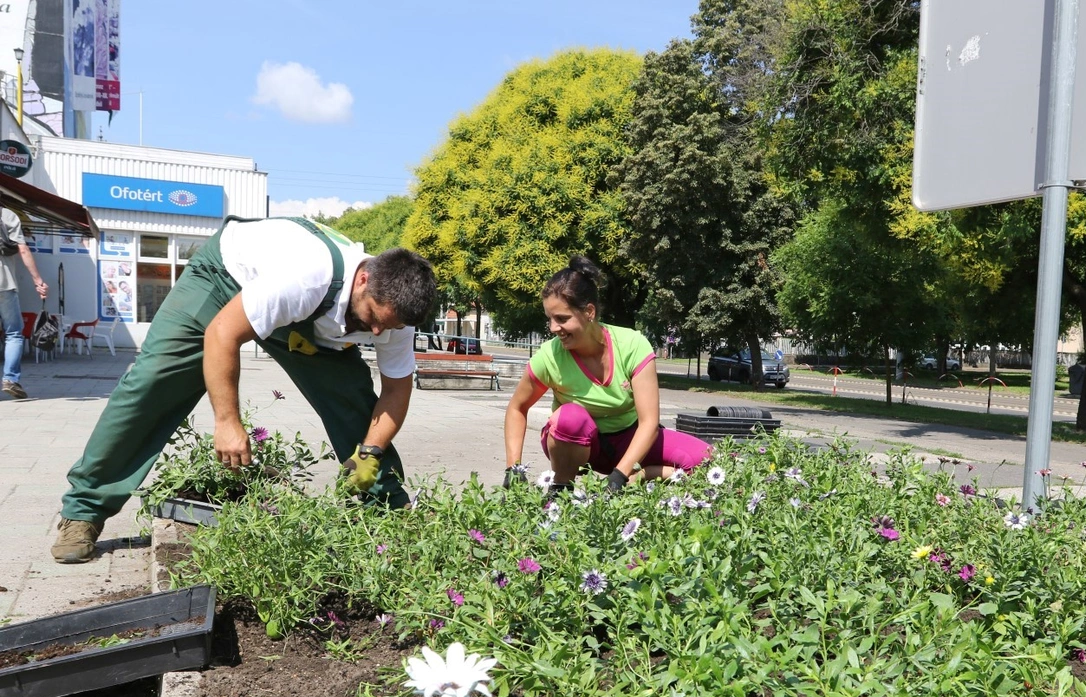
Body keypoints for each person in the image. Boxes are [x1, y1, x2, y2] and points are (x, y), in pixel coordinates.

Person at [50, 216, 438, 563]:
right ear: (363, 279)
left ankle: (389, 516)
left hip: (313, 318)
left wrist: (371, 451)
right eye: (371, 318)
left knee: (355, 405)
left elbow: (396, 392)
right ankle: (84, 510)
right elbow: (222, 334)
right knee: (152, 384)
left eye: (387, 326)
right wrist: (227, 422)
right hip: (223, 279)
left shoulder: (393, 319)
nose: (376, 332)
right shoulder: (307, 276)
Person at [503, 255, 710, 493]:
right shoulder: (550, 356)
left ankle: (641, 475)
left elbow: (649, 423)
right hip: (582, 447)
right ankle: (560, 490)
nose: (553, 328)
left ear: (589, 311)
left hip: (630, 442)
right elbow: (517, 408)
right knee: (569, 419)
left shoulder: (632, 345)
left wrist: (620, 477)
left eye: (562, 319)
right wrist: (513, 468)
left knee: (709, 461)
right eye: (549, 319)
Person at [0, 207, 50, 400]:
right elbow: (23, 249)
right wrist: (38, 281)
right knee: (13, 333)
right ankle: (10, 379)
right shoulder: (6, 215)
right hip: (4, 284)